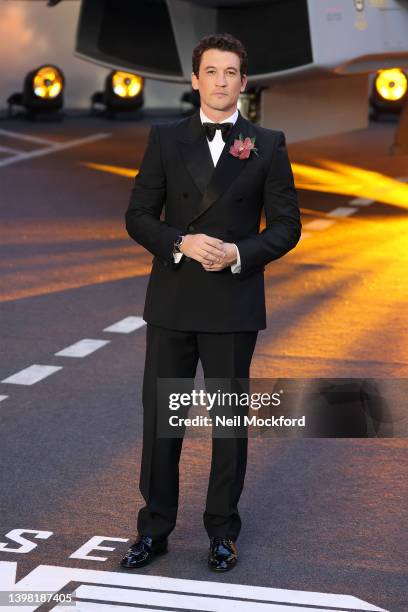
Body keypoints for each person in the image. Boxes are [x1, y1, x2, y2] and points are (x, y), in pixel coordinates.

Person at [120, 32, 301, 572]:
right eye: (211, 72)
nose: (221, 82)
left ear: (244, 84)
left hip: (232, 304)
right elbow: (138, 216)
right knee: (162, 423)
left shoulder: (268, 144)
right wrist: (181, 242)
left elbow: (287, 227)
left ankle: (222, 532)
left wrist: (238, 253)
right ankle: (153, 530)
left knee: (228, 424)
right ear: (194, 79)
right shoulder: (164, 137)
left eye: (231, 73)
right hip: (174, 301)